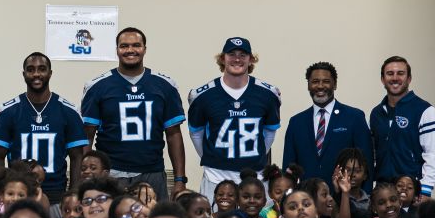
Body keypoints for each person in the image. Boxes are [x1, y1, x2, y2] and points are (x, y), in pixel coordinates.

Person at [81, 27, 188, 200]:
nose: (130, 50)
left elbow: (173, 135)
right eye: (124, 46)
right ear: (116, 50)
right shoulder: (97, 86)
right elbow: (87, 136)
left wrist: (180, 179)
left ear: (145, 49)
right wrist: (84, 177)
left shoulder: (165, 85)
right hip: (112, 174)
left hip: (152, 172)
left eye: (136, 45)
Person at [0, 52, 87, 215]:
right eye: (30, 69)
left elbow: (76, 156)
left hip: (56, 195)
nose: (36, 74)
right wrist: (2, 192)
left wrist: (73, 194)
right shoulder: (8, 111)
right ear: (24, 74)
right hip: (18, 195)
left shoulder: (68, 110)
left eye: (42, 69)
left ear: (50, 73)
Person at [186, 37, 282, 198]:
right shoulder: (203, 95)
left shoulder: (267, 94)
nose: (237, 59)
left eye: (243, 54)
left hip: (255, 177)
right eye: (231, 54)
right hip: (216, 176)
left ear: (251, 59)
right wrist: (212, 158)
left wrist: (255, 155)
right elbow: (196, 133)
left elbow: (270, 132)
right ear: (222, 58)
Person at [282, 62, 372, 189]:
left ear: (334, 84)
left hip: (344, 200)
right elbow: (288, 169)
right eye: (315, 81)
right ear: (308, 85)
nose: (320, 86)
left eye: (326, 81)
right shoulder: (296, 122)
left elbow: (366, 162)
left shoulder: (354, 117)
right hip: (307, 201)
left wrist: (365, 200)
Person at [370, 56, 435, 197]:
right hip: (382, 190)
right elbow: (374, 151)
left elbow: (434, 154)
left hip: (411, 191)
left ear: (409, 79)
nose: (395, 78)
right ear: (382, 79)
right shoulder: (376, 113)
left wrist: (425, 189)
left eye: (400, 73)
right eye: (390, 73)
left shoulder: (425, 110)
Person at [330, 147, 374, 218]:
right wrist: (343, 193)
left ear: (365, 175)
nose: (352, 174)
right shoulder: (332, 201)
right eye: (348, 170)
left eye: (357, 171)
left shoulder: (371, 200)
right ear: (339, 172)